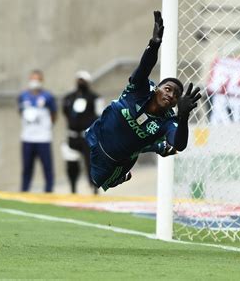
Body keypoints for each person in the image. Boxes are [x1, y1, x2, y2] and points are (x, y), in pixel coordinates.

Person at [84, 11, 201, 191]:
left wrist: (183, 117)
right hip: (96, 136)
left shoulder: (168, 121)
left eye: (176, 95)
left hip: (114, 163)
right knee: (145, 140)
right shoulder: (140, 89)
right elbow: (144, 67)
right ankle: (158, 147)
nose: (171, 95)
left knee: (97, 181)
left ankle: (136, 165)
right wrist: (154, 45)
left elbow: (179, 144)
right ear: (157, 89)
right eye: (168, 89)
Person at [62, 70, 104, 194]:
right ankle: (73, 189)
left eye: (83, 80)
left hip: (87, 136)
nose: (80, 82)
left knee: (91, 164)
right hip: (72, 136)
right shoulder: (69, 97)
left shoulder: (95, 98)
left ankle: (95, 189)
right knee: (72, 165)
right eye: (79, 79)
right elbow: (65, 112)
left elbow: (100, 115)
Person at [18, 69, 57, 192]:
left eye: (37, 79)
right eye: (33, 79)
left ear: (42, 81)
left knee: (47, 168)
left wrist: (46, 127)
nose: (35, 82)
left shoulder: (48, 97)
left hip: (43, 138)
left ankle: (49, 191)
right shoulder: (23, 96)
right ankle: (24, 191)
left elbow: (54, 114)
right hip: (27, 138)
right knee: (27, 168)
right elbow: (21, 112)